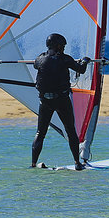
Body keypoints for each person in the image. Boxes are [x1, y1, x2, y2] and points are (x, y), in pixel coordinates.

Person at [31, 33, 91, 170]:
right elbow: (80, 70)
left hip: (45, 101)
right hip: (61, 100)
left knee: (40, 133)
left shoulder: (40, 59)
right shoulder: (65, 59)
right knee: (70, 130)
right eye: (62, 46)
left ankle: (33, 164)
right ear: (58, 46)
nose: (63, 48)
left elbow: (36, 65)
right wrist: (85, 61)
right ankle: (77, 163)